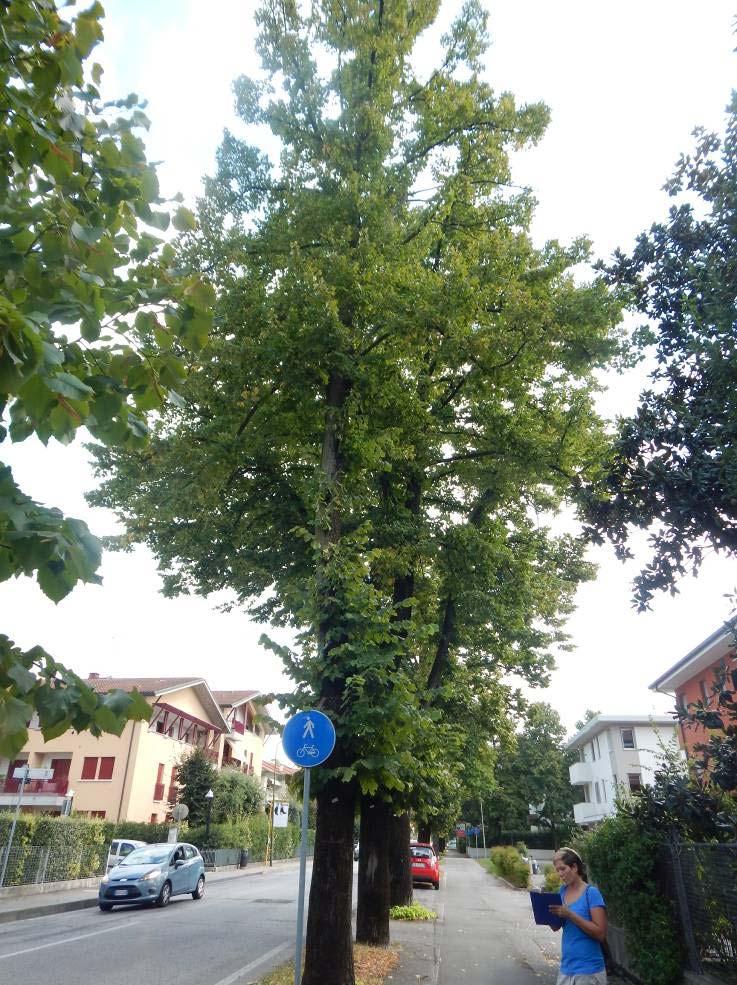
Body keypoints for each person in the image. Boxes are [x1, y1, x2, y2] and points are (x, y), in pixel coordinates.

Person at [548, 846, 608, 985]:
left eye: (563, 869)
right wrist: (547, 914)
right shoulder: (562, 891)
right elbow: (556, 927)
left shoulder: (591, 893)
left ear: (574, 867)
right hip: (566, 968)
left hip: (588, 971)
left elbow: (600, 934)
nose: (560, 874)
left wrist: (570, 914)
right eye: (557, 870)